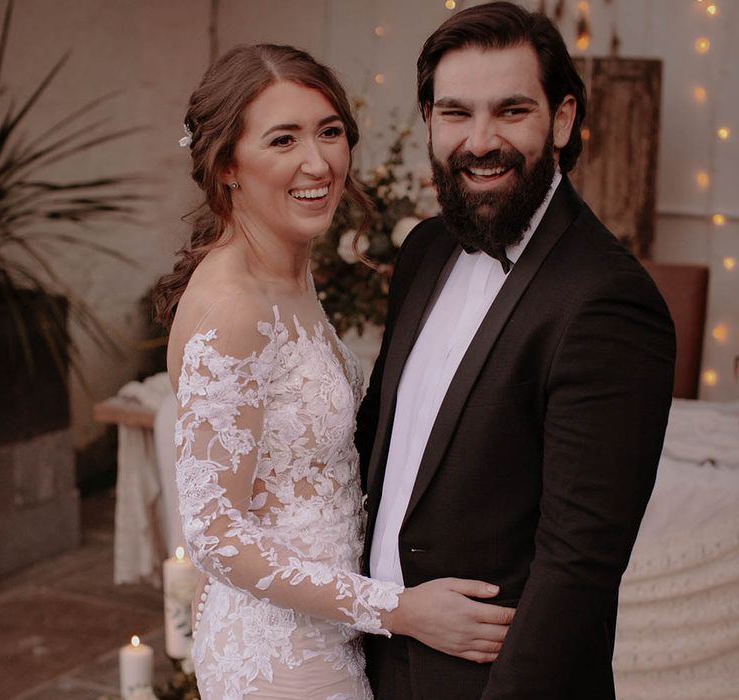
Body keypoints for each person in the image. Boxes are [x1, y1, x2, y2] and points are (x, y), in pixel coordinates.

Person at [154, 44, 514, 700]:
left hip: (329, 630)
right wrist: (399, 610)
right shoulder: (234, 304)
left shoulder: (289, 268)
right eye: (283, 138)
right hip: (277, 655)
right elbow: (213, 532)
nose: (318, 162)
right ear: (228, 163)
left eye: (330, 131)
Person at [356, 3, 676, 699]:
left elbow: (578, 566)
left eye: (510, 111)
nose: (480, 141)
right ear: (429, 122)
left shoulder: (608, 299)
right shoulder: (424, 249)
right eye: (455, 113)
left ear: (562, 120)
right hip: (373, 663)